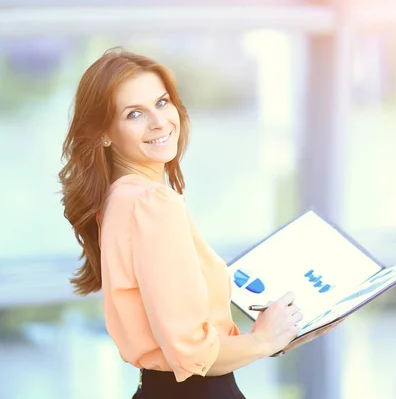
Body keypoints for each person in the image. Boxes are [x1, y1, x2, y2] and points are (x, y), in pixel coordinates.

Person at [58, 47, 303, 398]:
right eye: (133, 114)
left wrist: (269, 334)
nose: (158, 122)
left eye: (161, 103)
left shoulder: (116, 199)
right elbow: (193, 353)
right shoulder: (152, 203)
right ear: (104, 134)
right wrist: (263, 341)